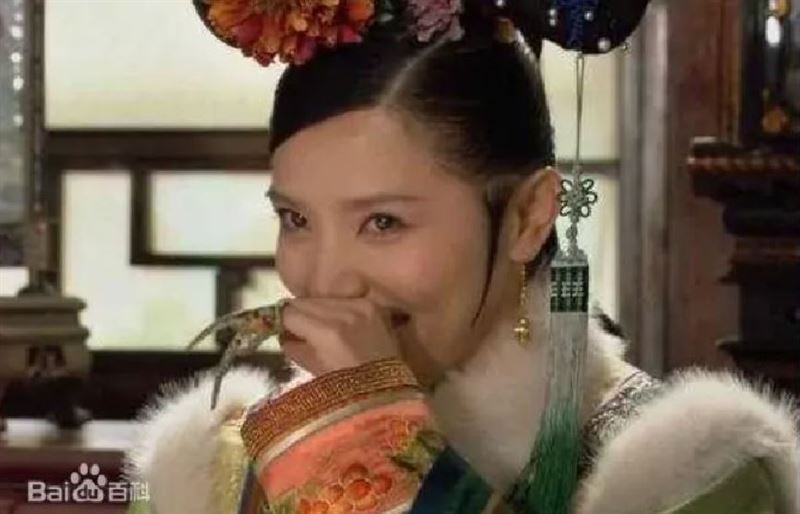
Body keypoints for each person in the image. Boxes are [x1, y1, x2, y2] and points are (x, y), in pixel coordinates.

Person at [125, 0, 800, 513]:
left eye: (383, 222)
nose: (324, 280)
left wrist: (381, 454)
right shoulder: (209, 476)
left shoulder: (693, 478)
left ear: (530, 217)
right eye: (295, 219)